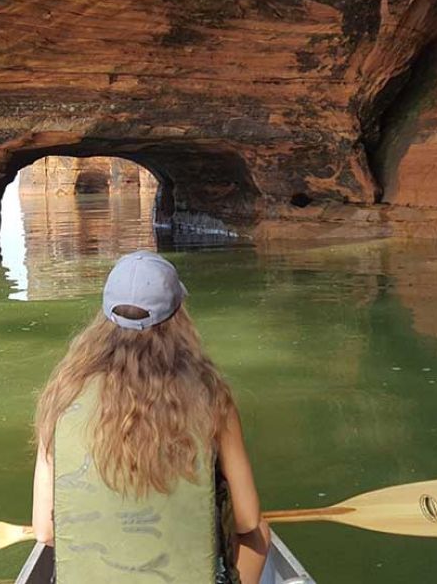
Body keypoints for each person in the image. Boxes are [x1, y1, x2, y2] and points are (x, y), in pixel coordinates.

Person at [31, 250, 270, 583]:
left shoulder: (63, 397)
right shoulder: (212, 398)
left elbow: (45, 531)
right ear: (177, 316)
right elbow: (246, 520)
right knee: (260, 534)